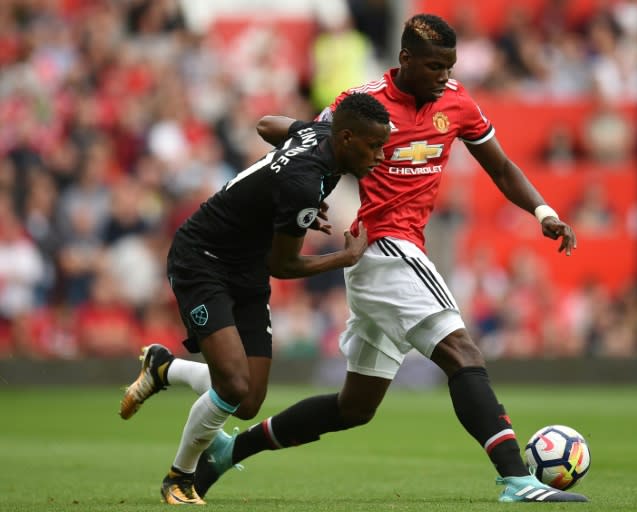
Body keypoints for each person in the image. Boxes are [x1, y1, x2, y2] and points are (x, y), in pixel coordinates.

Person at [125, 13, 585, 504]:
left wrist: (543, 210)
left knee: (355, 406)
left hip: (374, 258)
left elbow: (502, 167)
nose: (444, 76)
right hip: (385, 245)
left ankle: (230, 451)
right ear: (405, 59)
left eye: (449, 66)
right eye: (434, 66)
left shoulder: (458, 101)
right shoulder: (361, 104)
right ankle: (516, 478)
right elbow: (306, 141)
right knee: (462, 353)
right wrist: (297, 194)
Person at [119, 92, 391, 505]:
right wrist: (346, 256)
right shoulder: (303, 181)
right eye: (374, 145)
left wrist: (282, 198)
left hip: (246, 265)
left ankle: (165, 368)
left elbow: (266, 124)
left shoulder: (320, 137)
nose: (380, 155)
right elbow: (284, 267)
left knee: (247, 401)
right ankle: (179, 477)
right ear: (348, 138)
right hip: (202, 258)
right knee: (232, 385)